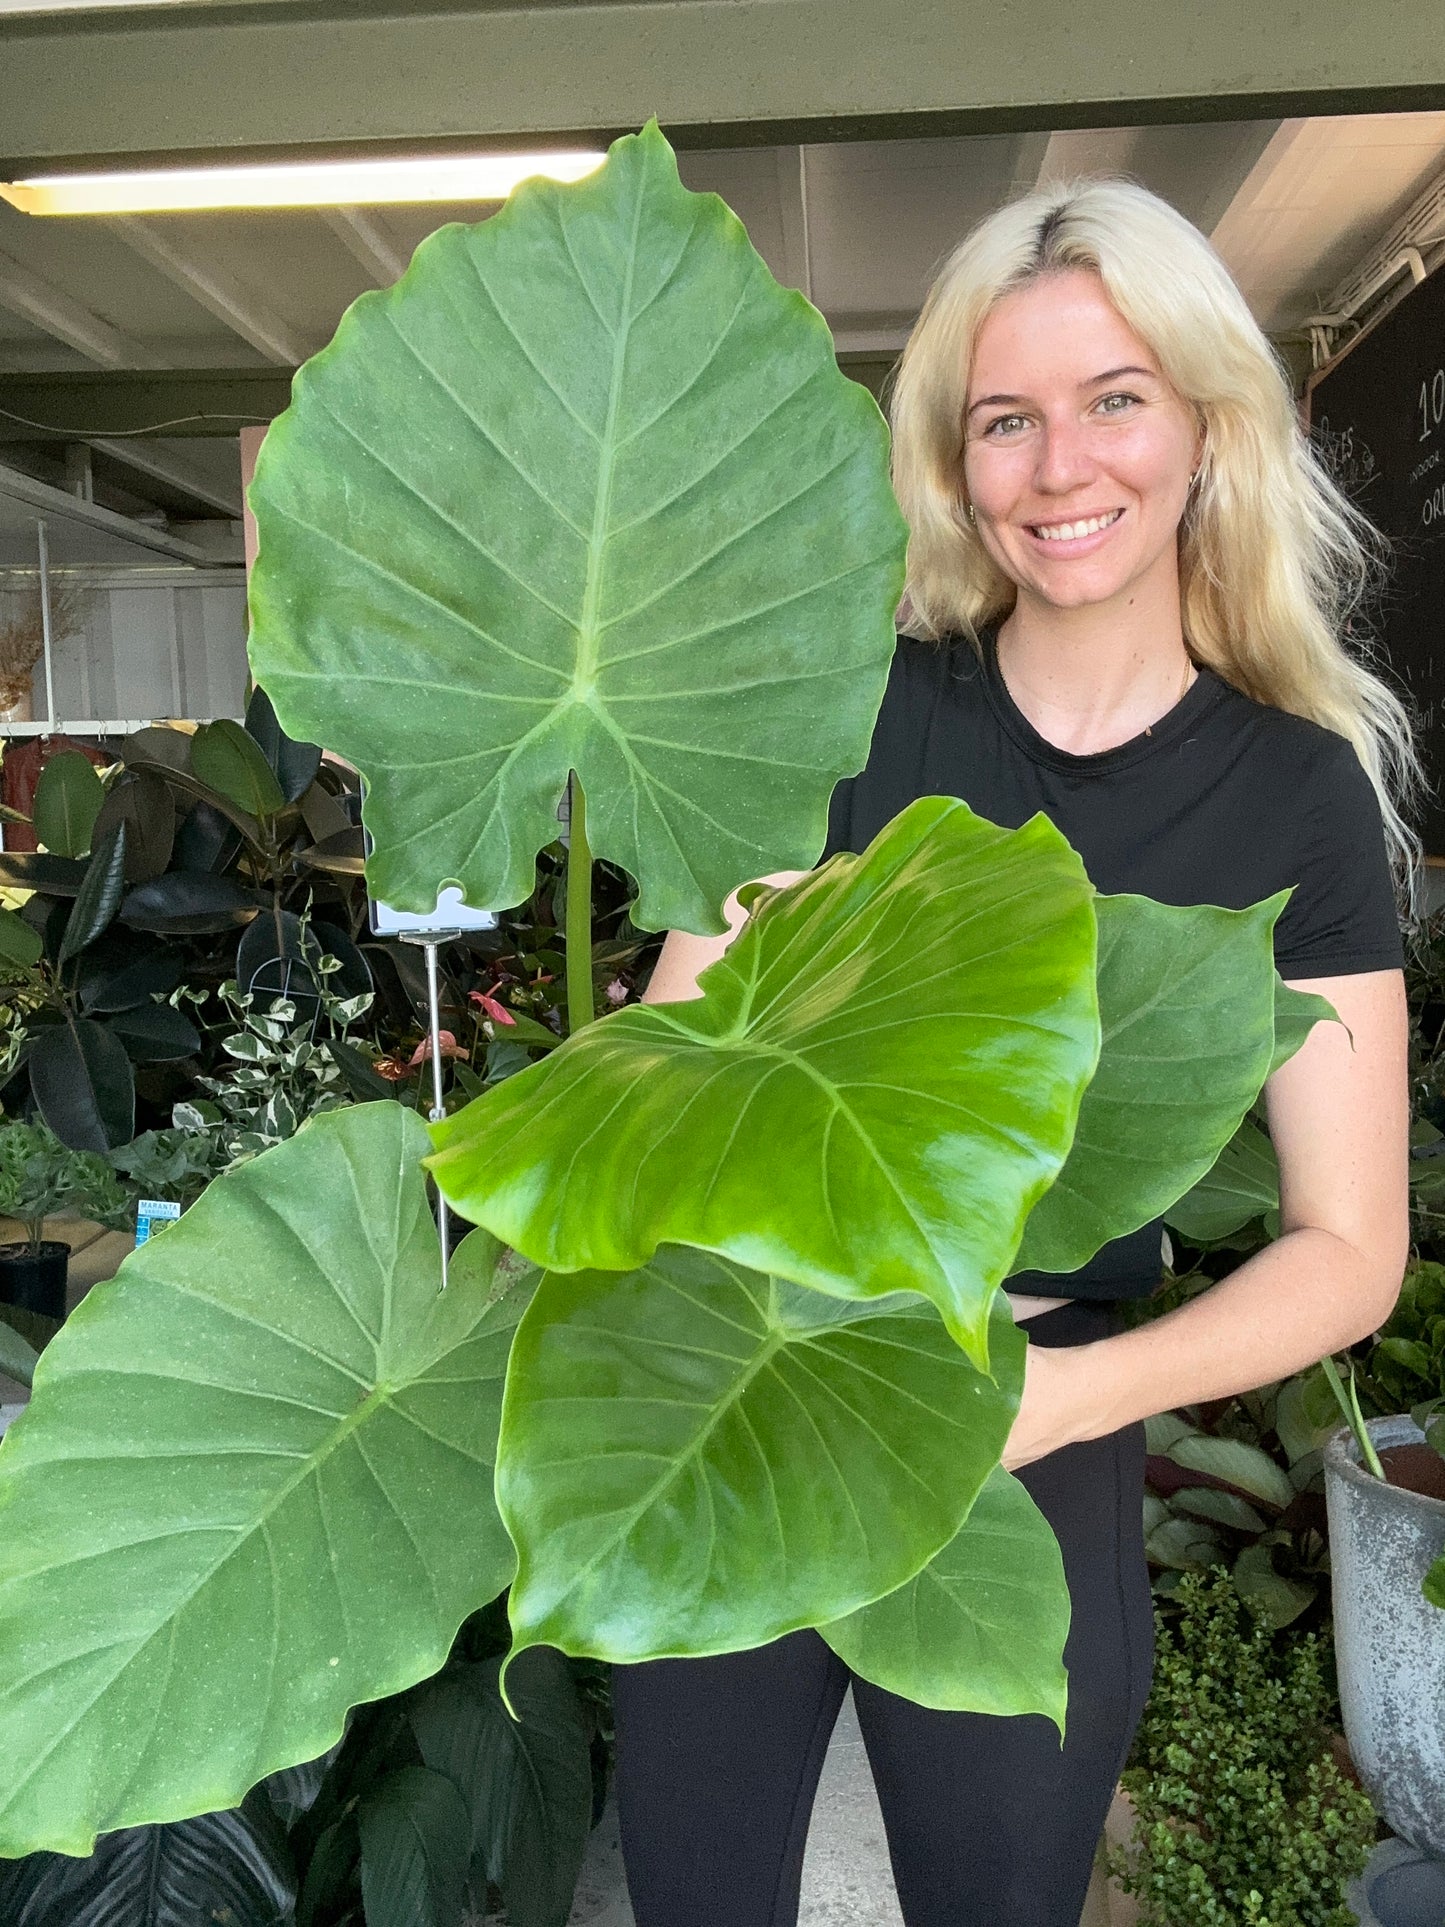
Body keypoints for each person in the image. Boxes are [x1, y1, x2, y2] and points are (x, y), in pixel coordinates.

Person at [611, 177, 1413, 1927]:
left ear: (1203, 425)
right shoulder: (850, 714)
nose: (1060, 468)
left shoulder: (1293, 794)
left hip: (1039, 1428)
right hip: (750, 1390)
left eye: (1113, 398)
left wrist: (1057, 1401)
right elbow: (671, 1067)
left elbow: (1350, 1252)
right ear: (955, 461)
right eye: (1005, 419)